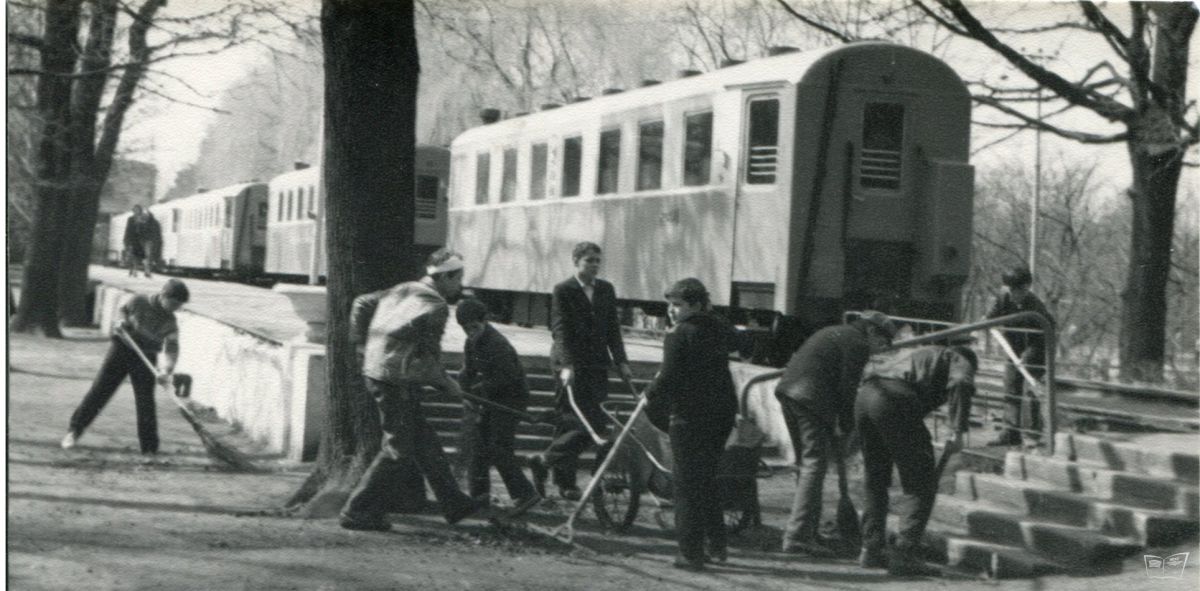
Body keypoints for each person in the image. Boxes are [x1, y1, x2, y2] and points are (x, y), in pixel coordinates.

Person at [340, 249, 489, 531]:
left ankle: (454, 503)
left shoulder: (404, 288)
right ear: (445, 277)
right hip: (395, 381)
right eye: (458, 280)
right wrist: (451, 387)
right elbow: (429, 360)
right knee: (398, 447)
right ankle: (356, 511)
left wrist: (361, 346)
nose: (459, 286)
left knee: (425, 441)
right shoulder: (437, 307)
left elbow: (361, 302)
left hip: (379, 373)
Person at [775, 311, 897, 557]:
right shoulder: (858, 343)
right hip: (810, 398)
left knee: (808, 465)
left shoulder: (835, 331)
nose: (879, 350)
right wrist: (847, 424)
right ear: (873, 332)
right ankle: (797, 536)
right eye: (882, 343)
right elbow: (848, 386)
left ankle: (807, 530)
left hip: (790, 393)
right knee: (814, 465)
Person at [855, 344, 977, 576]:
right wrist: (958, 431)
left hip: (867, 395)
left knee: (875, 478)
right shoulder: (960, 358)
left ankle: (871, 549)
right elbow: (961, 382)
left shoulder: (921, 352)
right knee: (920, 481)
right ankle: (904, 554)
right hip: (894, 399)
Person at [643, 278, 738, 571]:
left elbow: (669, 377)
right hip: (721, 414)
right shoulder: (719, 328)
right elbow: (741, 343)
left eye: (678, 305)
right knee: (707, 479)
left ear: (695, 305)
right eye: (670, 305)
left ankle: (690, 553)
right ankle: (717, 544)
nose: (672, 311)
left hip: (690, 417)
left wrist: (650, 394)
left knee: (685, 484)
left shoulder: (679, 334)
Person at [528, 242, 634, 501]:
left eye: (598, 260)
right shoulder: (564, 290)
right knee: (571, 421)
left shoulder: (606, 290)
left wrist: (621, 361)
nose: (595, 266)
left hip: (597, 365)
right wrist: (566, 365)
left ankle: (544, 461)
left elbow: (612, 329)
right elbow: (560, 329)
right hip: (570, 365)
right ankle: (566, 483)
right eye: (589, 261)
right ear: (576, 261)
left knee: (595, 423)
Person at [61, 279, 190, 454]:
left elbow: (172, 349)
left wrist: (166, 370)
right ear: (163, 296)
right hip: (121, 349)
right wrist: (120, 322)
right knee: (100, 391)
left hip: (146, 356)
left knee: (146, 402)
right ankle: (74, 431)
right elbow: (122, 312)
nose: (176, 308)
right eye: (174, 303)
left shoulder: (171, 322)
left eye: (179, 305)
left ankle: (149, 448)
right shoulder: (139, 301)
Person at [455, 297, 541, 516]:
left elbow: (507, 378)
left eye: (474, 327)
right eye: (465, 329)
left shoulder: (497, 343)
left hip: (511, 397)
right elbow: (467, 371)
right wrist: (463, 388)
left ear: (485, 321)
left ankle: (525, 493)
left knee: (498, 447)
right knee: (479, 446)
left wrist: (475, 394)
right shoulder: (472, 341)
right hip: (490, 397)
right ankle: (478, 497)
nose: (470, 332)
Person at [985, 265, 1054, 447]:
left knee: (1032, 391)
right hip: (1013, 349)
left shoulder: (1036, 306)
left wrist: (1028, 356)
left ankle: (1032, 435)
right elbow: (990, 317)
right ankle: (1010, 432)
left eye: (1019, 290)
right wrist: (988, 323)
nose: (1014, 294)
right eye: (1011, 289)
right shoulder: (1003, 298)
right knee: (1010, 388)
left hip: (1036, 348)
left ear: (1026, 288)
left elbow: (1046, 333)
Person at [124, 205, 162, 278]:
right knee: (135, 256)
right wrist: (127, 240)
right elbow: (128, 230)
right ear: (133, 211)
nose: (136, 212)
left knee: (147, 256)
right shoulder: (130, 219)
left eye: (138, 210)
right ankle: (134, 270)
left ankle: (147, 271)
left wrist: (149, 215)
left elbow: (152, 224)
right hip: (135, 239)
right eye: (135, 210)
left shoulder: (146, 217)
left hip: (146, 240)